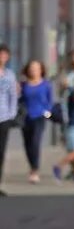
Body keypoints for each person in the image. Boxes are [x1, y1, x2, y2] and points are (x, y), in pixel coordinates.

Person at [20, 60, 53, 184]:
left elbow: (49, 100)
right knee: (27, 144)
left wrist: (47, 112)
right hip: (26, 117)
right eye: (32, 68)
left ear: (41, 70)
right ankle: (31, 166)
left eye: (36, 68)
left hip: (39, 116)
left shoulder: (46, 84)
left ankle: (35, 170)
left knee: (35, 142)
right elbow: (20, 100)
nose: (34, 70)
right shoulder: (24, 85)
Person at [0, 45, 18, 196]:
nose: (2, 57)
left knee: (1, 152)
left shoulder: (9, 75)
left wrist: (12, 114)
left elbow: (13, 95)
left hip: (4, 117)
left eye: (5, 55)